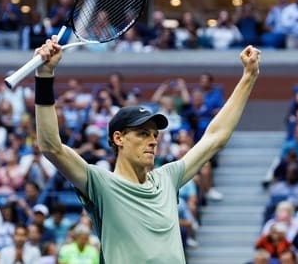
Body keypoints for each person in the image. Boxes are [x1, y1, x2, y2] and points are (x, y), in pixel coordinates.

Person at [33, 36, 260, 263]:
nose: (152, 141)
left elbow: (215, 138)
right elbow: (51, 146)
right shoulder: (101, 184)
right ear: (118, 138)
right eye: (142, 134)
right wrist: (44, 76)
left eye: (154, 135)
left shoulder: (167, 178)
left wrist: (248, 78)